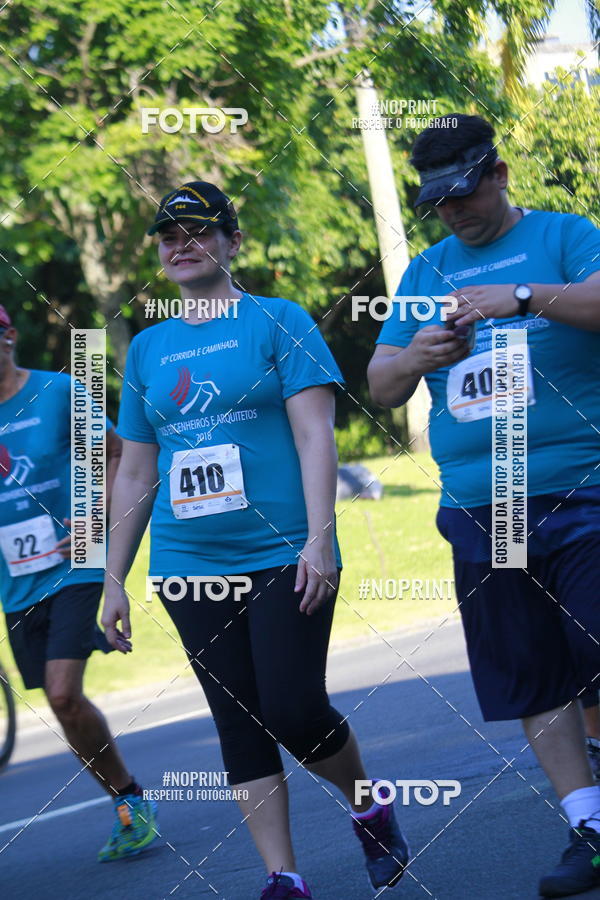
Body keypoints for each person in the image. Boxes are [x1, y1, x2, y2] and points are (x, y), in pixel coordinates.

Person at [101, 181, 409, 899]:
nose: (181, 246)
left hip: (283, 552)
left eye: (198, 232)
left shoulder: (279, 321)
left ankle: (367, 804)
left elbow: (315, 435)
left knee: (294, 711)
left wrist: (320, 539)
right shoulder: (147, 349)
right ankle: (283, 876)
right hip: (188, 562)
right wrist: (113, 577)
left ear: (232, 242)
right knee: (238, 723)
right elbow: (137, 470)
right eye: (168, 236)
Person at [367, 114, 600, 898]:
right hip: (486, 506)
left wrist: (525, 296)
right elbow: (381, 382)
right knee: (535, 672)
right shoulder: (425, 273)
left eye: (465, 192)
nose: (453, 211)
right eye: (438, 201)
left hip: (582, 487)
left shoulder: (565, 235)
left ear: (499, 174)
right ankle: (589, 825)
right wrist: (418, 354)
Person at [0, 306, 158, 861]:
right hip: (16, 581)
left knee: (64, 691)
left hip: (76, 561)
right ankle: (126, 797)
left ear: (9, 336)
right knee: (62, 705)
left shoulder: (58, 392)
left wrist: (96, 517)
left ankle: (130, 805)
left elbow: (117, 453)